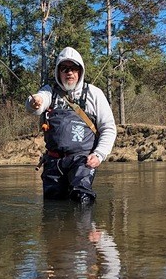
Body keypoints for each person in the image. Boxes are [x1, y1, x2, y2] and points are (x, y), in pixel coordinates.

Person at [26, 47, 117, 204]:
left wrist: (99, 154)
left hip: (82, 161)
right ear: (58, 72)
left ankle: (87, 220)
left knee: (82, 198)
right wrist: (35, 102)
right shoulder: (49, 92)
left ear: (80, 71)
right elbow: (36, 105)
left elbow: (108, 128)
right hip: (53, 162)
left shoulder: (94, 94)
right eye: (65, 68)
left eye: (74, 68)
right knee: (53, 206)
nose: (69, 73)